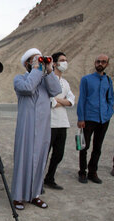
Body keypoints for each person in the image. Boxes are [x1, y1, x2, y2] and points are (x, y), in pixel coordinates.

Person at [11, 48, 61, 210]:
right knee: (23, 160)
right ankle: (18, 196)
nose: (38, 63)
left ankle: (35, 194)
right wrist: (36, 69)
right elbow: (28, 87)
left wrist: (49, 70)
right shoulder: (20, 79)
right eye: (34, 60)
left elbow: (56, 90)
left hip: (43, 128)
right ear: (27, 64)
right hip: (26, 127)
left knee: (39, 160)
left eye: (39, 59)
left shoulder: (45, 80)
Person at [77, 54, 113, 184]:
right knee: (84, 146)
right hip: (89, 118)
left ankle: (93, 172)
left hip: (103, 119)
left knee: (97, 147)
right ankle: (82, 172)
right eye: (98, 61)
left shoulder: (108, 81)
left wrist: (109, 112)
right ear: (94, 63)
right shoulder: (86, 79)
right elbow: (82, 99)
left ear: (107, 64)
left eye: (103, 62)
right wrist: (81, 118)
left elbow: (110, 99)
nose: (100, 64)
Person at [44, 52, 75, 190]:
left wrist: (58, 100)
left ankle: (49, 178)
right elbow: (50, 101)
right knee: (44, 154)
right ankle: (37, 180)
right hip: (49, 123)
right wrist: (62, 102)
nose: (65, 62)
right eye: (62, 60)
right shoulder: (47, 80)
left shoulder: (65, 83)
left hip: (63, 123)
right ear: (54, 63)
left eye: (66, 60)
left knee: (58, 154)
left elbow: (72, 100)